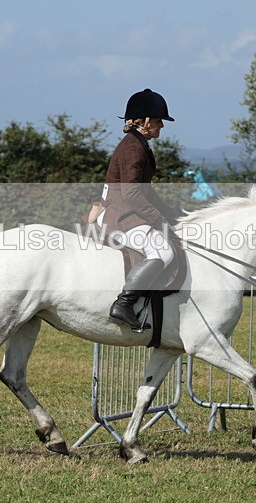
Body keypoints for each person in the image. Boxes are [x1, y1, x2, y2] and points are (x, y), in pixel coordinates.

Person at [99, 88, 182, 332]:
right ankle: (123, 304)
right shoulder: (134, 148)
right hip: (120, 215)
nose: (161, 126)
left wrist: (169, 212)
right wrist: (159, 219)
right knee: (163, 253)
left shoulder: (138, 143)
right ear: (144, 121)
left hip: (126, 211)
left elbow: (145, 190)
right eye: (158, 121)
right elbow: (132, 193)